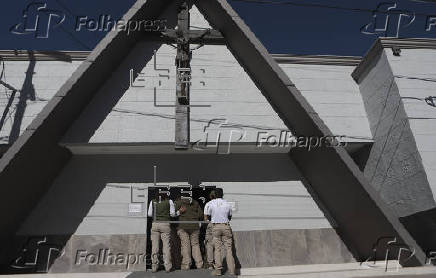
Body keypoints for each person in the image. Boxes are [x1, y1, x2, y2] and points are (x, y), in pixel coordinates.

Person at [147, 192, 185, 273]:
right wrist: (179, 212)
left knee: (155, 247)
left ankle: (154, 267)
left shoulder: (153, 201)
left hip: (155, 224)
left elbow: (149, 214)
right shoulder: (169, 202)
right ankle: (167, 266)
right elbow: (172, 214)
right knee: (166, 246)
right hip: (165, 225)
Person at [205, 190, 236, 276]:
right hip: (226, 226)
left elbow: (208, 215)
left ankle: (218, 270)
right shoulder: (227, 203)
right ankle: (232, 271)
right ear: (223, 195)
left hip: (216, 227)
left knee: (217, 249)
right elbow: (230, 216)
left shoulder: (211, 203)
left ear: (215, 195)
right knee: (229, 249)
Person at [175, 197, 204, 270]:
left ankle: (186, 264)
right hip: (194, 226)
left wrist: (180, 212)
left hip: (183, 226)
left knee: (185, 245)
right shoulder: (195, 203)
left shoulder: (178, 203)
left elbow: (172, 214)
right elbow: (201, 215)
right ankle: (199, 264)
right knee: (195, 245)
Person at [204, 191, 217, 270]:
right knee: (218, 244)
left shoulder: (208, 204)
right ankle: (218, 262)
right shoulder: (222, 203)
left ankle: (210, 264)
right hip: (220, 224)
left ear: (210, 196)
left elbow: (205, 218)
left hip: (211, 224)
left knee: (209, 244)